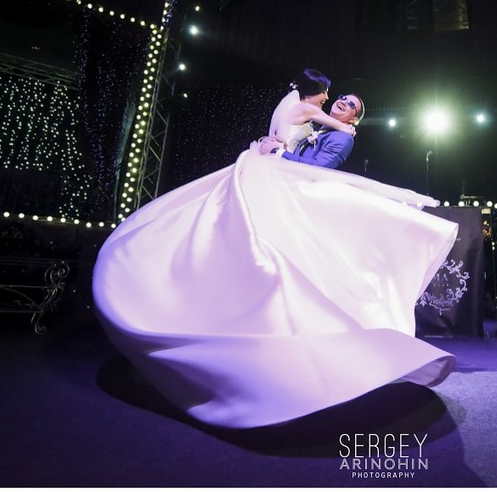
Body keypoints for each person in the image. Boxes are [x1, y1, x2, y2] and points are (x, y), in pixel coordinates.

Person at [92, 69, 459, 429]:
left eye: (350, 106)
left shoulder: (338, 135)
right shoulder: (312, 120)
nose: (341, 103)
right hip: (278, 184)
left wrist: (280, 153)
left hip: (299, 190)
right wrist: (280, 149)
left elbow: (319, 169)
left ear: (354, 119)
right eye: (342, 98)